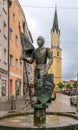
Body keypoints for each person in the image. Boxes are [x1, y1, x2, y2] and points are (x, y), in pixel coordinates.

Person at [20, 36, 53, 105]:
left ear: (43, 41)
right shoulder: (35, 51)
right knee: (36, 85)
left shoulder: (46, 49)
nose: (38, 41)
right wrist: (24, 58)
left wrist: (47, 68)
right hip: (36, 69)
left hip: (43, 68)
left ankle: (43, 100)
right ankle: (38, 99)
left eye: (40, 40)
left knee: (41, 84)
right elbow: (31, 60)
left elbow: (51, 59)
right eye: (37, 40)